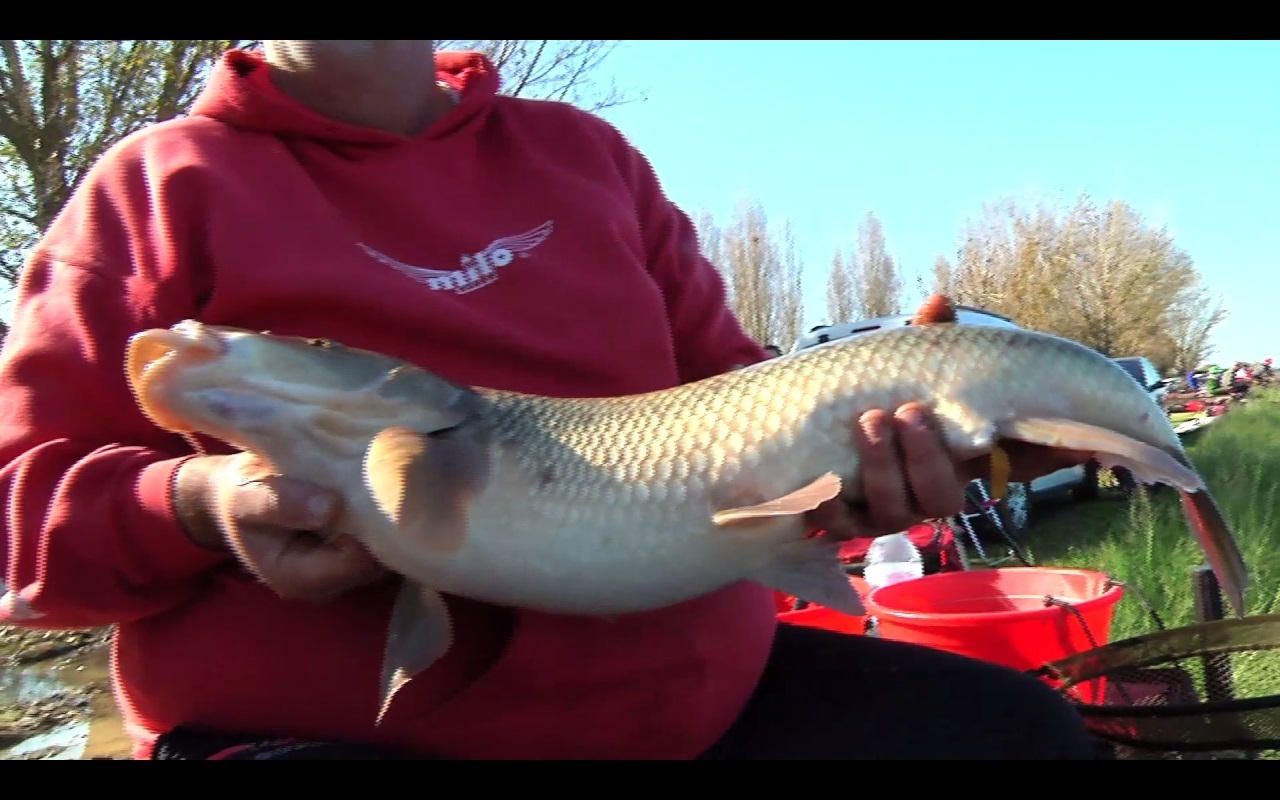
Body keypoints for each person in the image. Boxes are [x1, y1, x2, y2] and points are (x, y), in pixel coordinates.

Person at [0, 41, 1102, 760]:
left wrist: (852, 478)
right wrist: (197, 500)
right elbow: (18, 526)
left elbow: (745, 403)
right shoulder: (147, 190)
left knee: (1023, 738)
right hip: (338, 740)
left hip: (706, 706)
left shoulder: (588, 159)